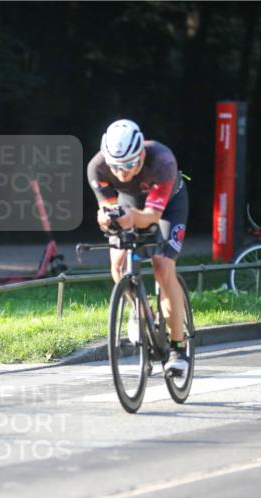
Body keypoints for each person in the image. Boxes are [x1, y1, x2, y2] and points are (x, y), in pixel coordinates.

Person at [86, 119, 190, 375]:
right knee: (119, 264)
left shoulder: (162, 161)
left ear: (142, 152)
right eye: (117, 167)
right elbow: (109, 208)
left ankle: (178, 346)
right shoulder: (97, 168)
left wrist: (131, 217)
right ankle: (140, 311)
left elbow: (152, 217)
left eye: (131, 164)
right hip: (130, 201)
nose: (123, 173)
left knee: (163, 267)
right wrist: (106, 217)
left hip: (168, 206)